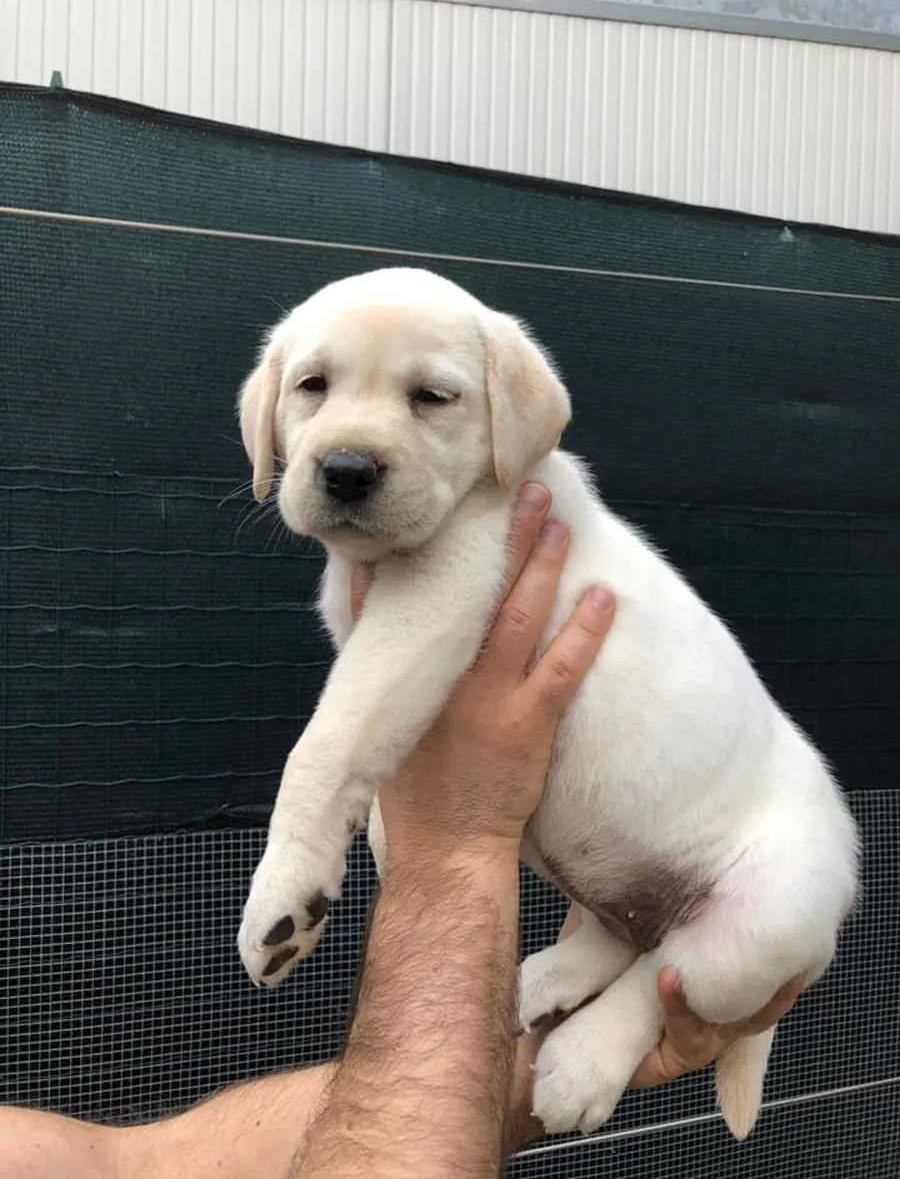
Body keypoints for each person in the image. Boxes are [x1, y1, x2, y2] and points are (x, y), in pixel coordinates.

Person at [0, 484, 804, 1179]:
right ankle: (613, 961)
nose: (352, 450)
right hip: (622, 875)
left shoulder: (511, 515)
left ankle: (629, 997)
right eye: (314, 386)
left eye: (430, 397)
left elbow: (131, 1165)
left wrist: (387, 843)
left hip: (746, 855)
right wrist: (449, 850)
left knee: (759, 928)